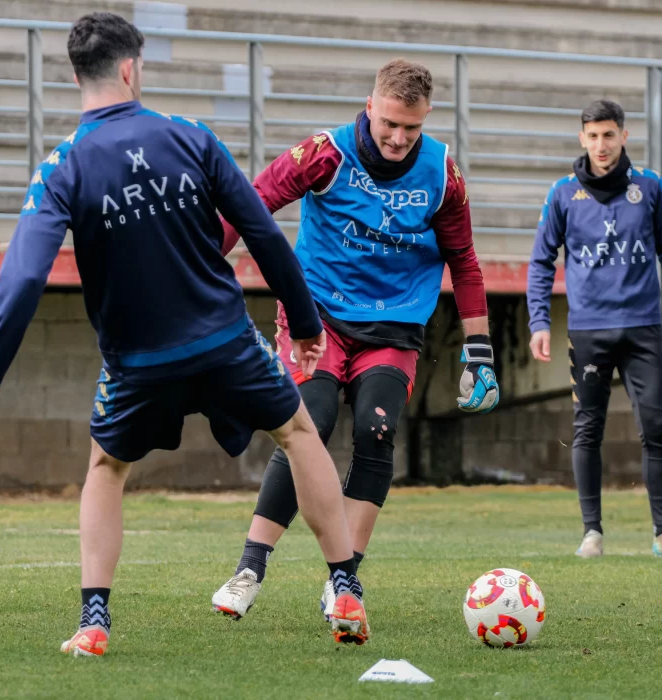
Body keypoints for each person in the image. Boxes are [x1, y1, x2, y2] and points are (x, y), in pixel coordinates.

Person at [0, 12, 370, 656]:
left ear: (76, 74)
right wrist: (306, 324)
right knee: (298, 431)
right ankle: (343, 587)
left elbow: (24, 278)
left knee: (107, 468)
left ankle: (94, 624)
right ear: (129, 68)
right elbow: (261, 230)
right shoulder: (191, 136)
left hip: (136, 364)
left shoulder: (62, 164)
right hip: (227, 342)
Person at [211, 59, 498, 621]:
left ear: (427, 119)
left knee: (376, 430)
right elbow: (250, 206)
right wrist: (193, 273)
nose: (397, 138)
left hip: (394, 327)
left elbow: (463, 261)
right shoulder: (325, 154)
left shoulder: (443, 174)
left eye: (410, 128)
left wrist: (480, 351)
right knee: (308, 425)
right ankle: (250, 567)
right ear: (371, 106)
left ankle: (344, 583)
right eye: (389, 122)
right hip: (317, 318)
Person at [526, 99, 662, 560]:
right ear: (582, 138)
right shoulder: (562, 193)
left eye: (609, 135)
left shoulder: (651, 187)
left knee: (656, 428)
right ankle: (592, 535)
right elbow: (541, 261)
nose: (601, 145)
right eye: (593, 135)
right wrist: (539, 320)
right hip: (589, 331)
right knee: (587, 430)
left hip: (643, 328)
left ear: (624, 136)